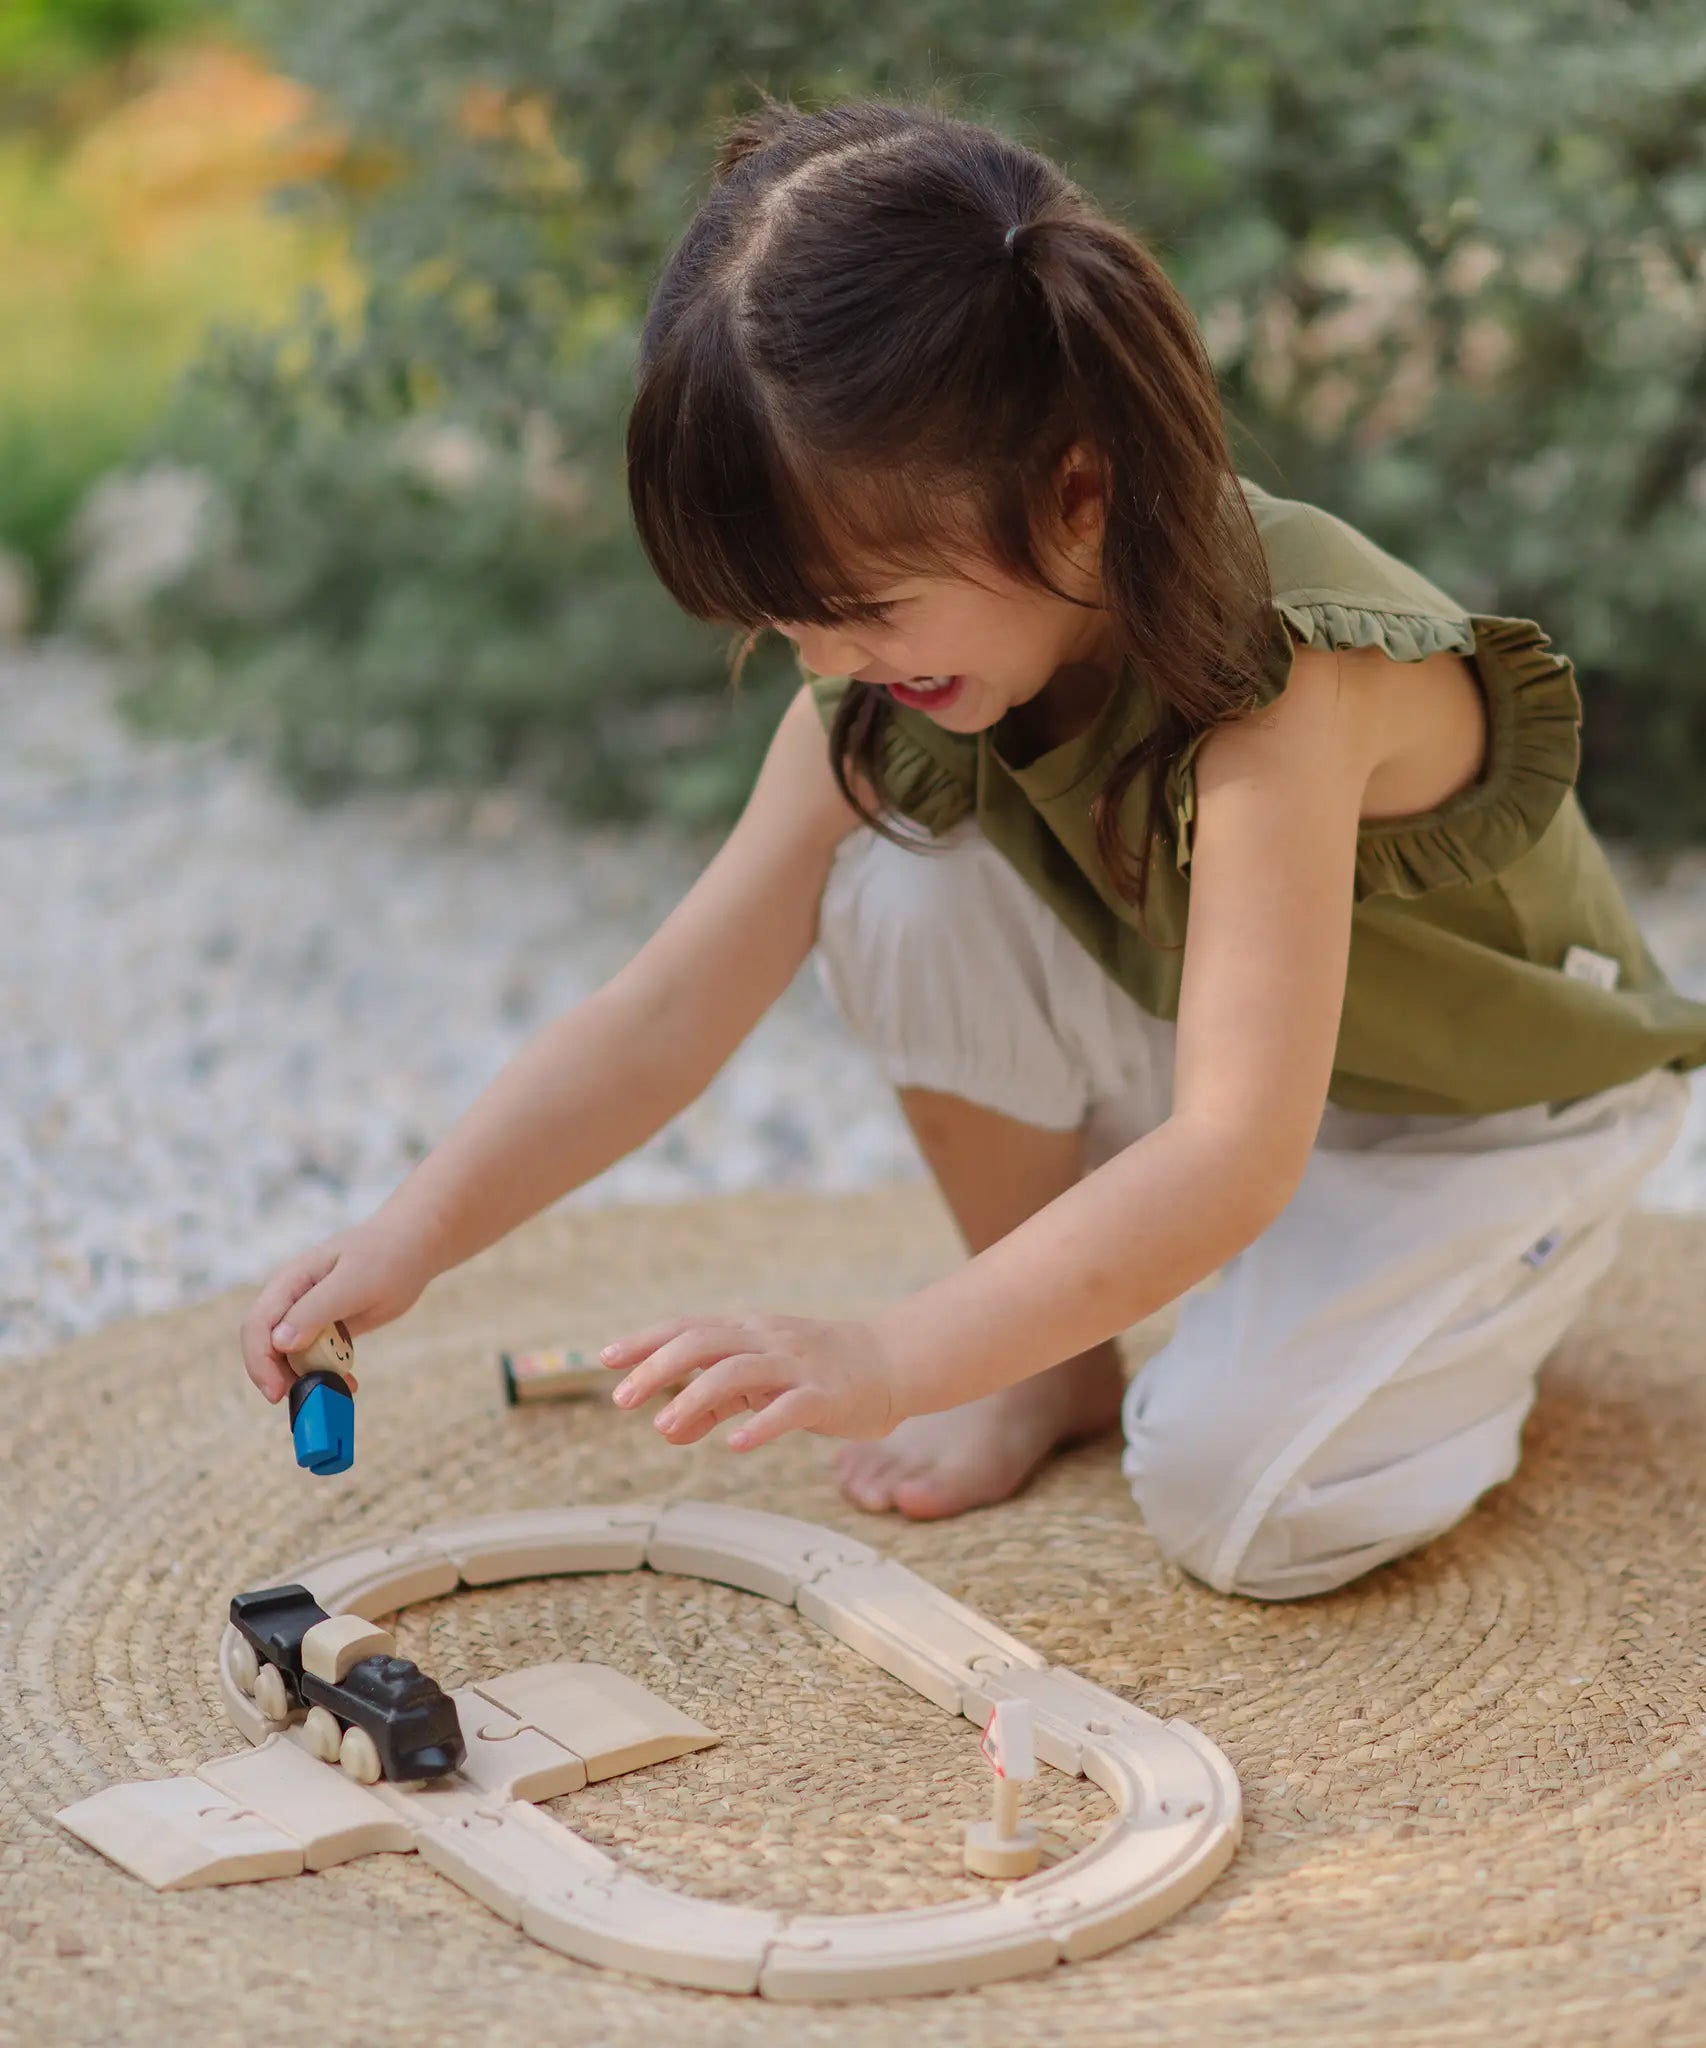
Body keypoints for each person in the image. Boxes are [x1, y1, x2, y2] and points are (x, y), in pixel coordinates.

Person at [241, 95, 1706, 1603]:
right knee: (899, 884)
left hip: (1480, 1117)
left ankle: (1465, 1302)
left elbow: (1231, 1152)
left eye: (862, 608)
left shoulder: (1286, 678)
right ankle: (1062, 1357)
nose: (822, 657)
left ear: (1075, 494)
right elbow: (667, 1006)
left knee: (1244, 1510)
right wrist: (406, 1236)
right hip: (1244, 1062)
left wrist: (894, 1351)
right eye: (788, 618)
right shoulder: (901, 674)